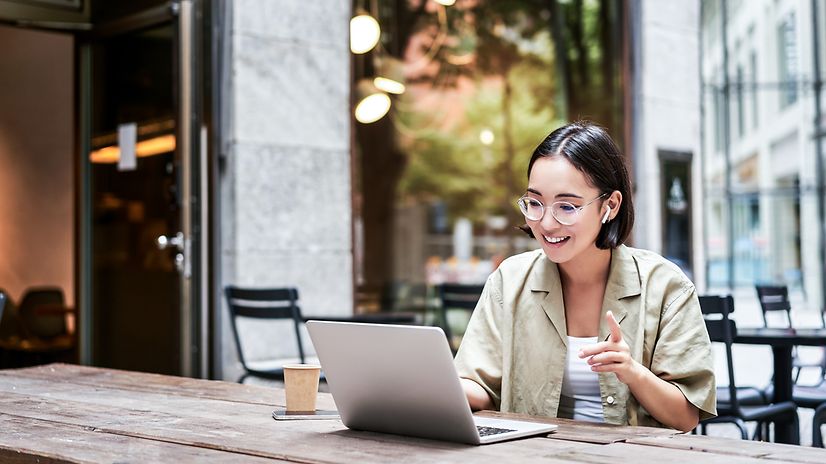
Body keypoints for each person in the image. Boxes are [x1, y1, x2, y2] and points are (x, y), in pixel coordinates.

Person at [454, 121, 716, 432]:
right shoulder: (509, 281)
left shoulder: (665, 286)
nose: (547, 224)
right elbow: (480, 387)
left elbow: (685, 417)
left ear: (611, 205)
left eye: (567, 207)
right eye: (535, 203)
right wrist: (430, 386)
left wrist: (632, 372)